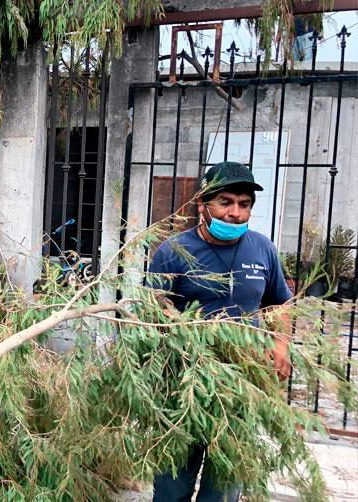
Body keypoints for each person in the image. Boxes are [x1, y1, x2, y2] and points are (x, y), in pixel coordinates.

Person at [147, 161, 293, 502]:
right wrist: (185, 336)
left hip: (241, 387)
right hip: (183, 385)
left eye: (244, 204)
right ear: (203, 203)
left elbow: (279, 304)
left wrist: (281, 345)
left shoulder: (263, 249)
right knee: (172, 485)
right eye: (225, 202)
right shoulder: (173, 252)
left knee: (225, 486)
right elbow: (152, 310)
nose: (235, 213)